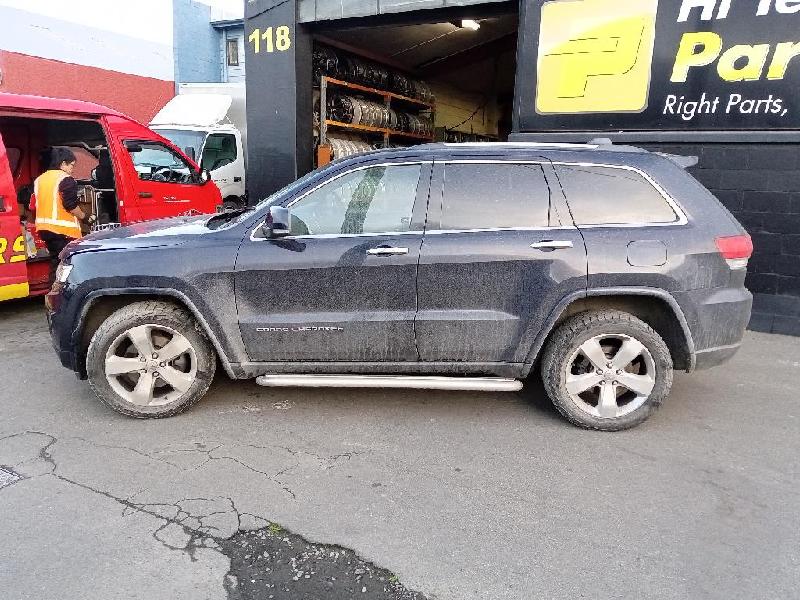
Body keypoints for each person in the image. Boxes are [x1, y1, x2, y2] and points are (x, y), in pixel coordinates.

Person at [32, 147, 92, 285]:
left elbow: (34, 205)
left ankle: (52, 294)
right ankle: (61, 297)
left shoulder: (40, 179)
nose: (72, 169)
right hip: (63, 231)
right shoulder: (66, 179)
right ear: (63, 163)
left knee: (56, 263)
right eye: (71, 165)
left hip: (44, 229)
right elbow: (70, 205)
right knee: (66, 266)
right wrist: (85, 217)